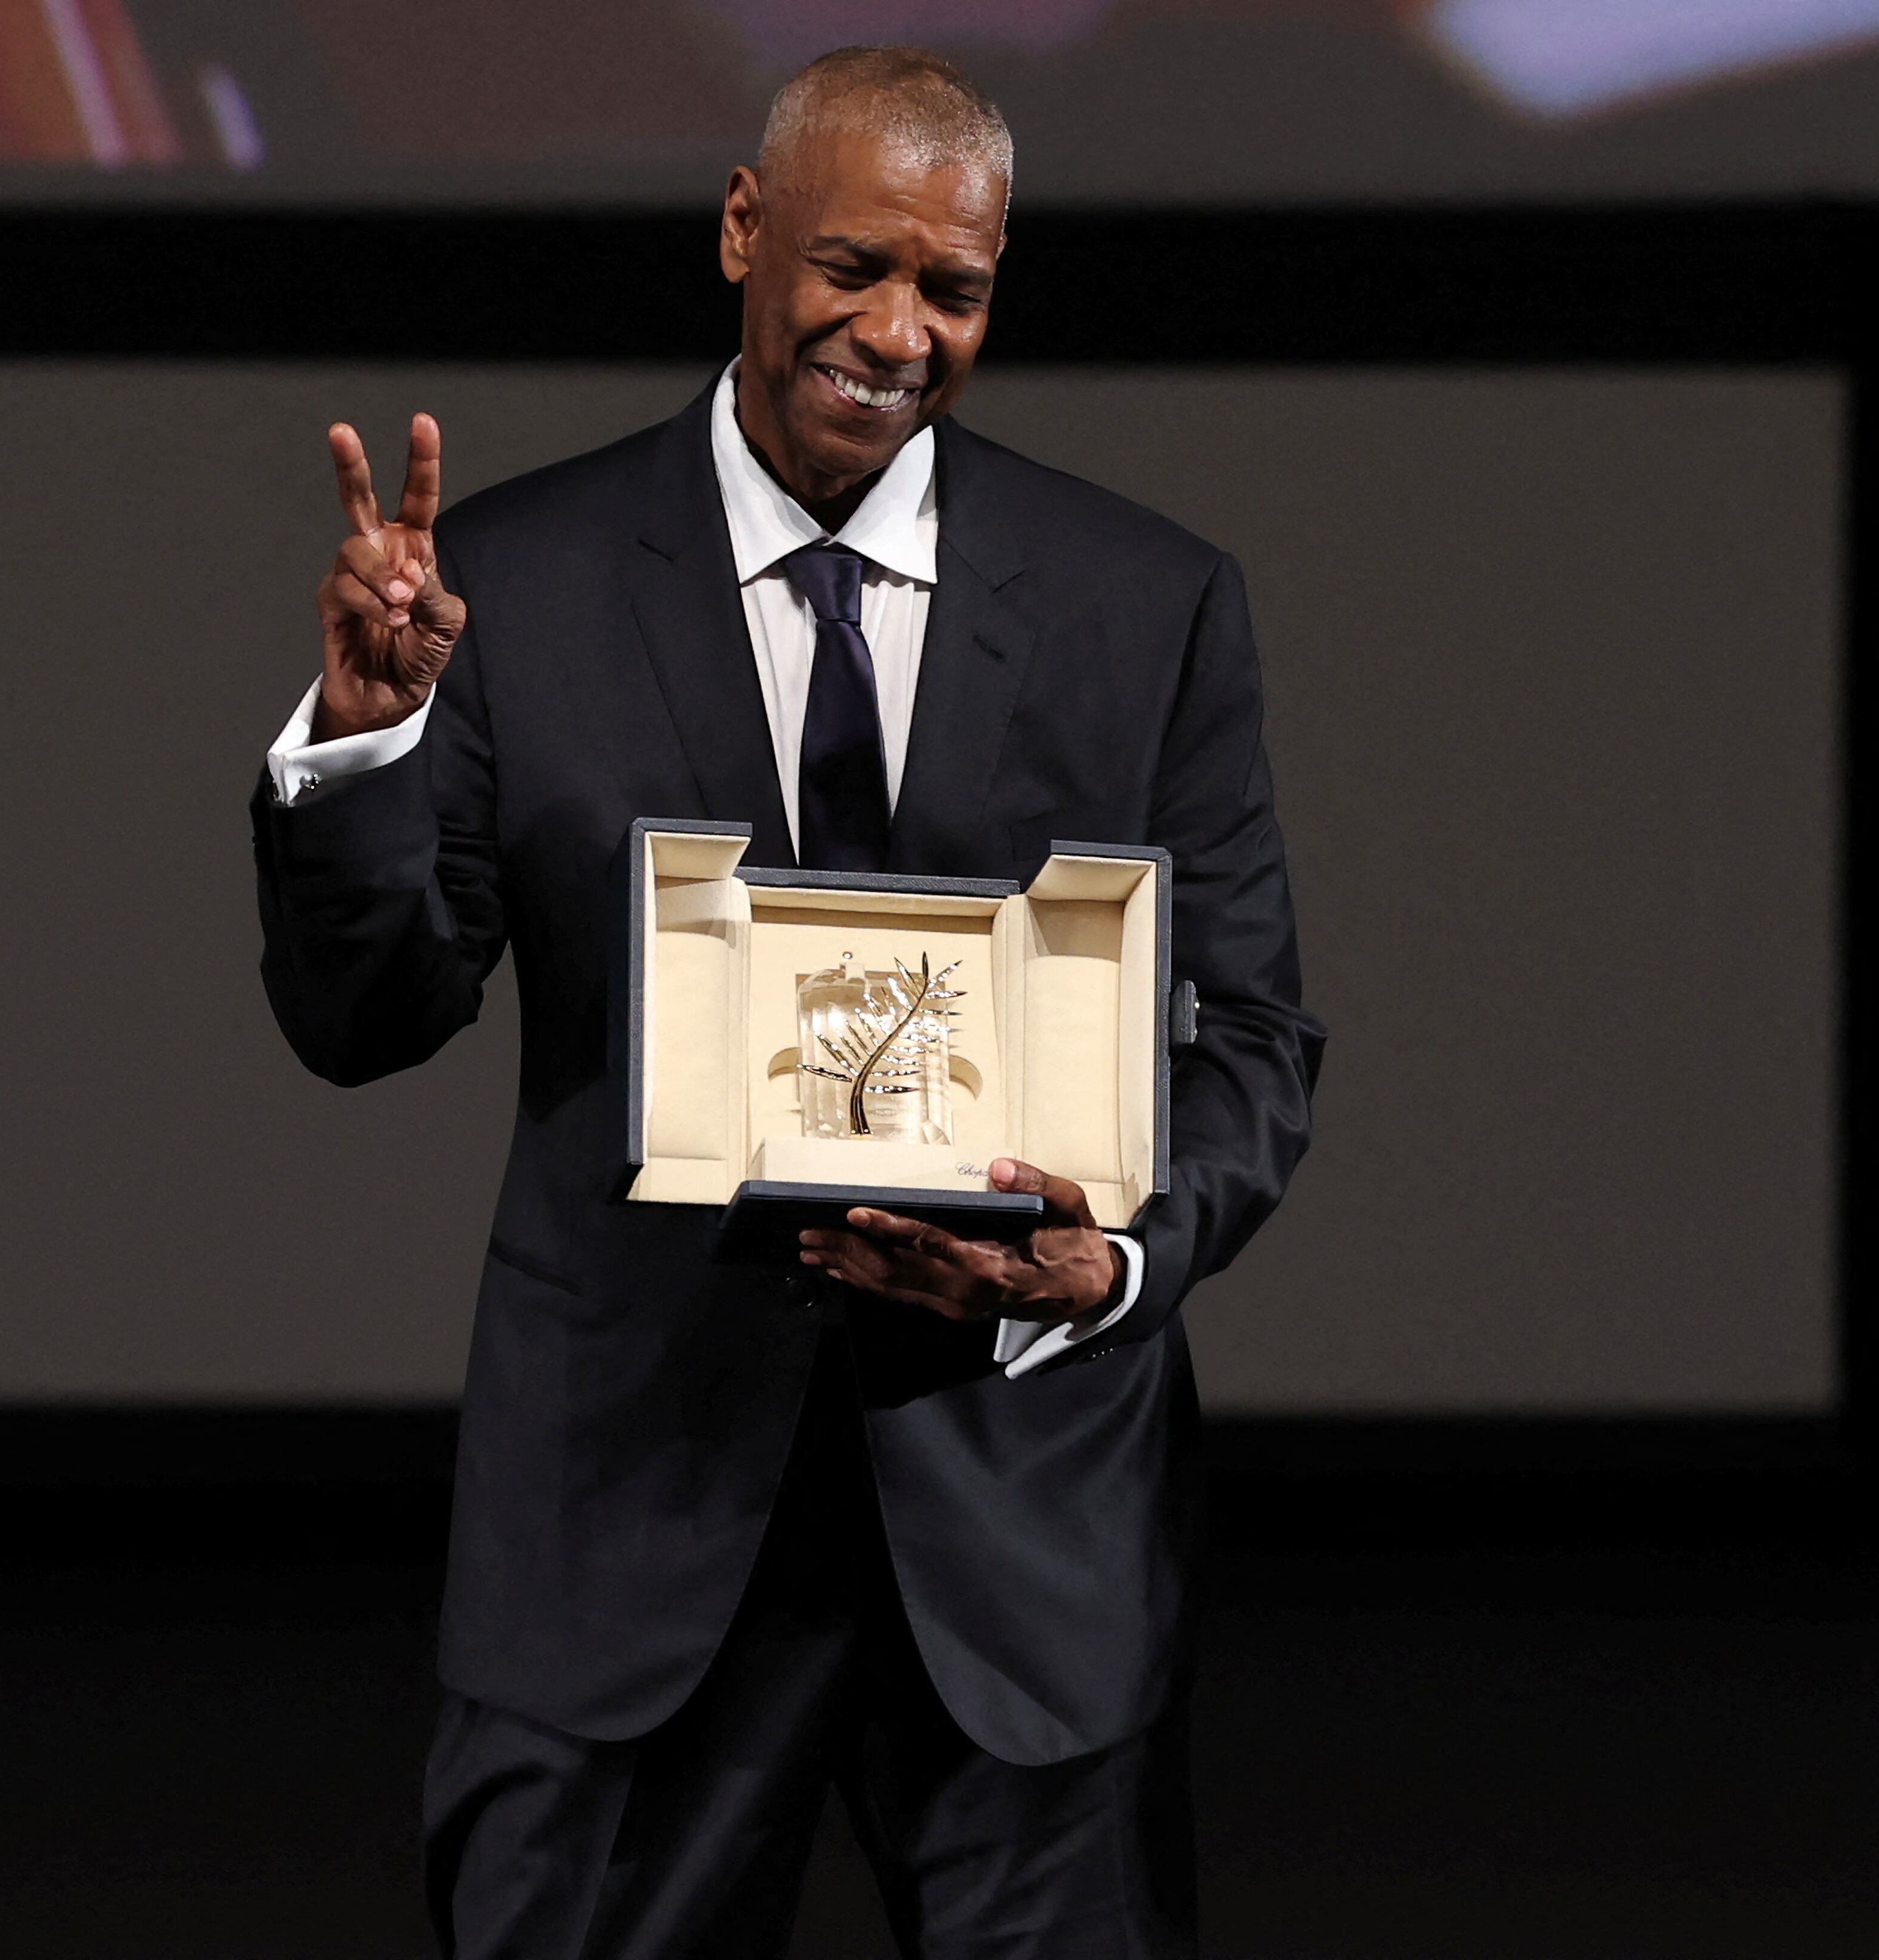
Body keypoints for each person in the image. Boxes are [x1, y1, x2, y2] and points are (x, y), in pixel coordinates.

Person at [251, 45, 1320, 1958]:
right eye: (855, 267)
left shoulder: (1143, 601)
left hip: (1030, 1531)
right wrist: (365, 740)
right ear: (745, 229)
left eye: (955, 290)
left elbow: (1252, 1039)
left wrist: (1110, 1266)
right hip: (626, 1517)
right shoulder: (516, 585)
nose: (900, 333)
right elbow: (368, 1015)